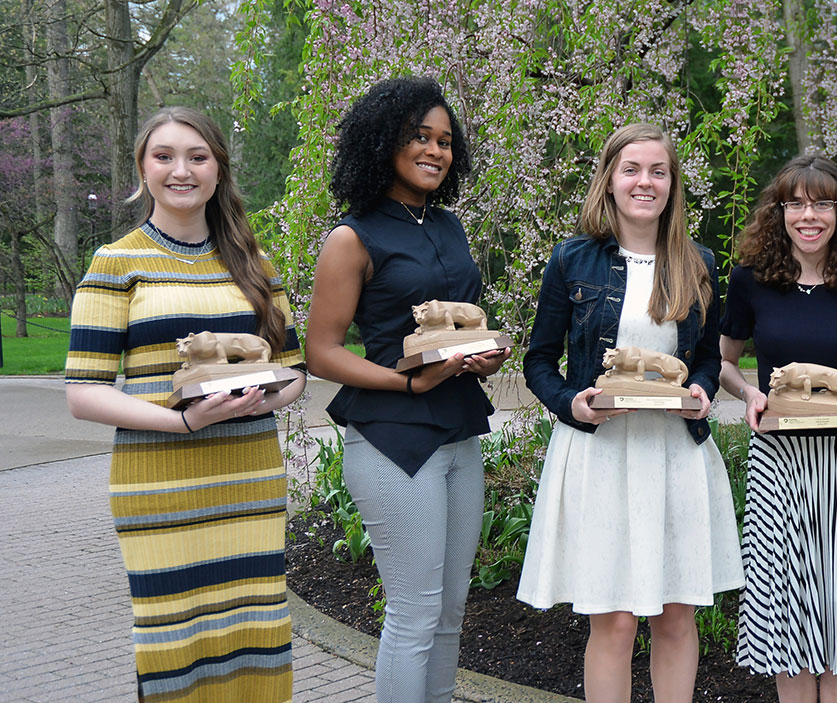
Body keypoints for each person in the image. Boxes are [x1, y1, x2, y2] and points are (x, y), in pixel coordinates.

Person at [65, 106, 307, 702]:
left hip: (248, 479)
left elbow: (296, 371)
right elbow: (83, 395)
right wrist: (183, 421)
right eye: (164, 156)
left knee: (254, 630)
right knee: (176, 642)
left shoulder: (253, 263)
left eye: (198, 157)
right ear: (142, 170)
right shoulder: (115, 263)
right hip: (159, 489)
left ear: (218, 171)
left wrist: (262, 402)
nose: (182, 170)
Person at [517, 122, 744, 703]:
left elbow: (708, 359)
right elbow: (539, 360)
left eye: (658, 171)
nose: (645, 182)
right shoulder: (572, 261)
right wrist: (572, 403)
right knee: (613, 621)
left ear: (672, 184)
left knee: (675, 617)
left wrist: (700, 387)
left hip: (674, 455)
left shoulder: (699, 263)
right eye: (632, 170)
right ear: (610, 180)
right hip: (601, 454)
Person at [305, 77, 510, 703]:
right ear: (383, 143)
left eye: (445, 140)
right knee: (414, 613)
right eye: (420, 136)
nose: (435, 150)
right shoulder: (352, 236)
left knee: (451, 611)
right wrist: (408, 380)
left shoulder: (449, 226)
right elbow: (322, 351)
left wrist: (480, 354)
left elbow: (453, 323)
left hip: (458, 429)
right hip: (393, 438)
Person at [718, 154, 837, 702]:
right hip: (779, 460)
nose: (808, 215)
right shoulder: (750, 278)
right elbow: (724, 361)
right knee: (786, 605)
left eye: (822, 203)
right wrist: (748, 393)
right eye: (795, 204)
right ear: (779, 212)